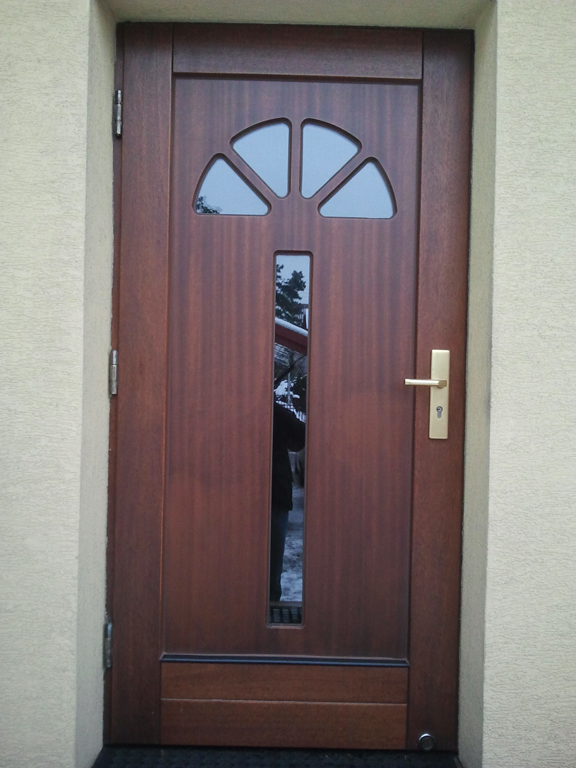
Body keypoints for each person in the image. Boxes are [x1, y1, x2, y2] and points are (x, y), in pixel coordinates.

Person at [269, 400, 306, 602]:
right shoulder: (275, 411)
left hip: (275, 495)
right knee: (271, 568)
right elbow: (300, 436)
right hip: (276, 494)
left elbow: (300, 435)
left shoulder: (274, 412)